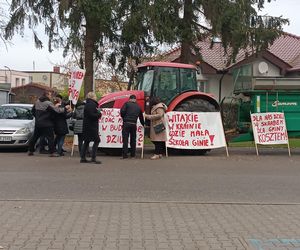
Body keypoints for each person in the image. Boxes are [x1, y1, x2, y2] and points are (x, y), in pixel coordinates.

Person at [28, 91, 72, 157]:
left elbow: (33, 111)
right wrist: (65, 108)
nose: (51, 96)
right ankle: (52, 152)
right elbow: (57, 110)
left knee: (35, 137)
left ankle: (30, 150)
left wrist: (37, 118)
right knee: (50, 138)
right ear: (47, 95)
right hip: (47, 123)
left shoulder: (37, 102)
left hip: (38, 123)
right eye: (50, 95)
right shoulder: (48, 103)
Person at [120, 94, 145, 159]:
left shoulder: (126, 104)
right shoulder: (138, 107)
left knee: (125, 139)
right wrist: (143, 124)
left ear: (129, 99)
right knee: (133, 140)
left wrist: (124, 117)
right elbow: (141, 117)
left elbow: (122, 111)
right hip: (134, 124)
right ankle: (133, 155)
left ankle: (125, 155)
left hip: (126, 123)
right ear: (135, 99)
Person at [80, 92, 102, 164]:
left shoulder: (87, 104)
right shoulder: (92, 104)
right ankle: (93, 157)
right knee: (97, 140)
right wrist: (99, 114)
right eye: (95, 96)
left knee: (86, 141)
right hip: (91, 126)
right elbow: (92, 115)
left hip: (87, 125)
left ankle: (83, 157)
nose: (96, 97)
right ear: (93, 97)